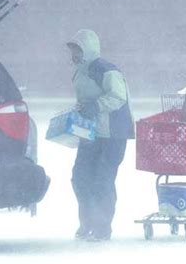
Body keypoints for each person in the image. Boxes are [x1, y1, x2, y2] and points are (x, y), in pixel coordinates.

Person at [66, 29, 135, 242]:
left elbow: (118, 97)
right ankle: (87, 223)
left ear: (87, 49)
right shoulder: (80, 71)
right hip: (91, 132)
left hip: (113, 133)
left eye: (77, 50)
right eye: (72, 50)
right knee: (80, 177)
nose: (73, 55)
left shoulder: (105, 69)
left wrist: (95, 106)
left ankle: (102, 228)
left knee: (102, 180)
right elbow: (86, 98)